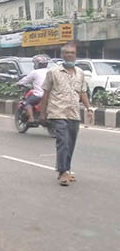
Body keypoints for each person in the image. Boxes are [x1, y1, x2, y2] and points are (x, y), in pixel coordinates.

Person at [40, 43, 93, 186]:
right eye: (67, 53)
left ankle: (66, 170)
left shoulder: (80, 73)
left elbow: (82, 92)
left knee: (71, 143)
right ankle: (62, 172)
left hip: (74, 112)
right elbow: (46, 92)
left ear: (76, 55)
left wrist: (89, 108)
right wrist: (42, 112)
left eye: (72, 53)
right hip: (58, 111)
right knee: (63, 142)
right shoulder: (53, 72)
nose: (69, 55)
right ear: (62, 55)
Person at [17, 54, 50, 124]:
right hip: (51, 95)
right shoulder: (50, 71)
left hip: (39, 95)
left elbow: (24, 80)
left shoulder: (34, 72)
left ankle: (31, 118)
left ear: (37, 64)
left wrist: (18, 83)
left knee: (26, 103)